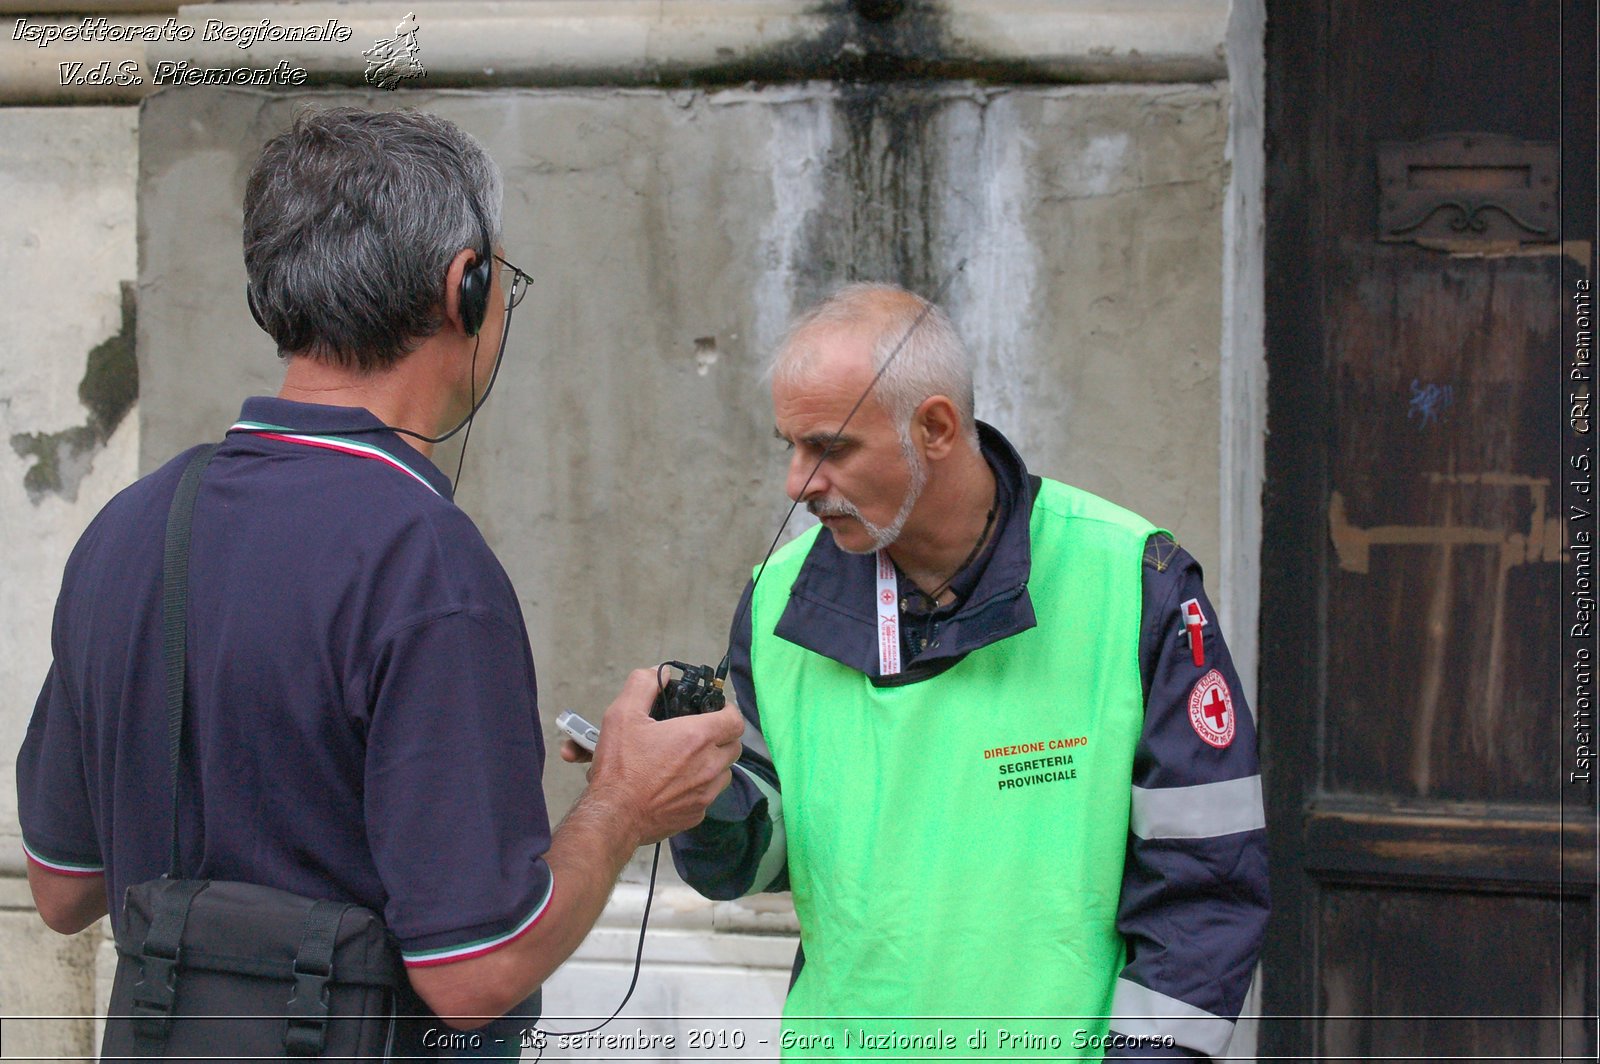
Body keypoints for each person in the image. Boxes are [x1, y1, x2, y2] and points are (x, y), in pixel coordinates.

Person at [16, 107, 743, 1056]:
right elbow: (474, 975)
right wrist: (620, 806)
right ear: (466, 286)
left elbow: (65, 889)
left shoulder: (131, 525)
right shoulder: (427, 565)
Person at [668, 284, 1269, 1060]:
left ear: (937, 429)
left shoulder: (1134, 583)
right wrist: (698, 792)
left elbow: (1208, 895)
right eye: (789, 444)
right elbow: (755, 862)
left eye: (829, 447)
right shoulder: (776, 600)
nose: (797, 482)